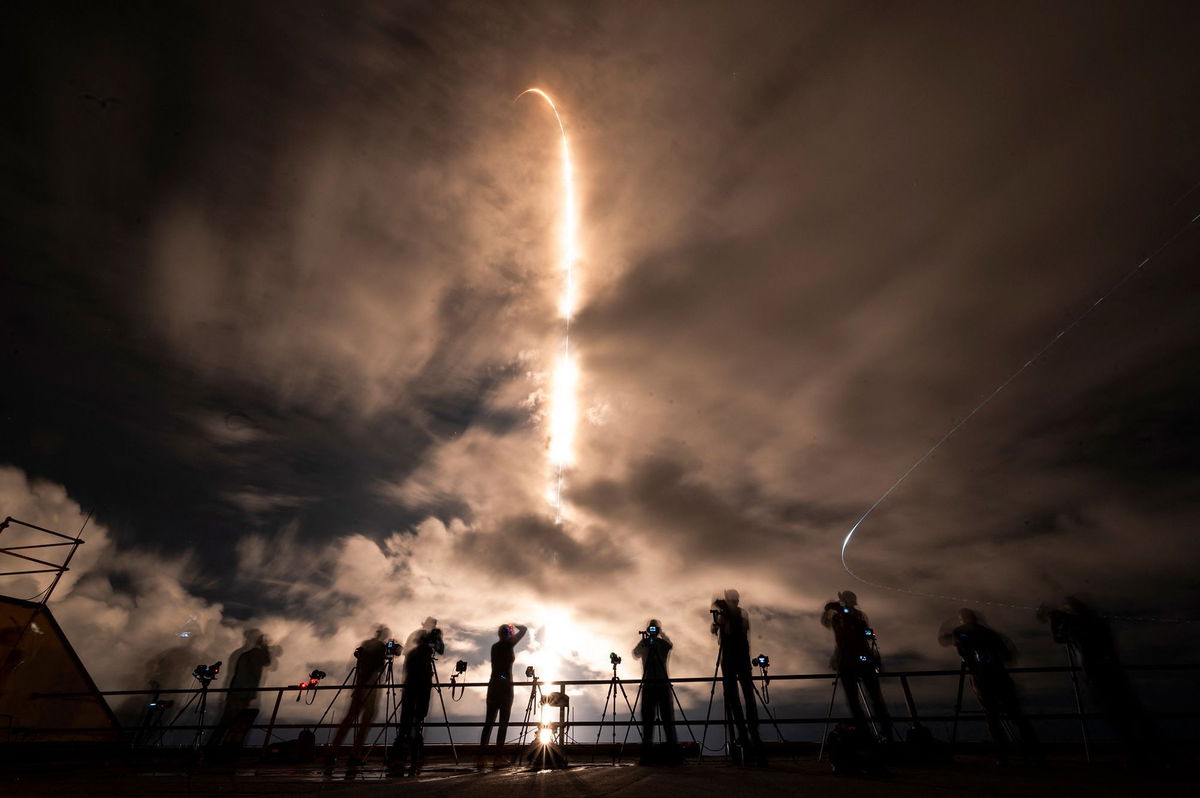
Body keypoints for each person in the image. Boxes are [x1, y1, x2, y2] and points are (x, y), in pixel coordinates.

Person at [1037, 596, 1155, 763]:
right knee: (1129, 712)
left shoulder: (1080, 627)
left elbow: (1060, 637)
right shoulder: (1095, 623)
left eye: (1068, 610)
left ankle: (1140, 753)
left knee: (1117, 715)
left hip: (1097, 675)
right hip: (1111, 672)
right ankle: (1150, 751)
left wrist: (1054, 619)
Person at [939, 609, 1039, 764]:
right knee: (1014, 713)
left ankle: (1003, 753)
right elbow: (1008, 654)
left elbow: (949, 641)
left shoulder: (964, 634)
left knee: (992, 716)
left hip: (982, 678)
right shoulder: (990, 634)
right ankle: (1031, 750)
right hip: (1000, 675)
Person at [821, 590, 892, 743]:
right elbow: (826, 622)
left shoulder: (858, 616)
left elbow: (862, 631)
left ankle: (884, 732)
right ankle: (866, 732)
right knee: (856, 700)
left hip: (859, 660)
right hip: (848, 662)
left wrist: (837, 609)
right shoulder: (838, 617)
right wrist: (829, 609)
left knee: (873, 698)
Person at [324, 626, 389, 774]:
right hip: (371, 686)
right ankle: (354, 755)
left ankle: (332, 753)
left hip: (361, 685)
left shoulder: (365, 645)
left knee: (349, 719)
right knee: (365, 721)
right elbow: (378, 668)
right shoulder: (379, 647)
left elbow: (357, 662)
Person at [711, 589, 764, 764]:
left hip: (736, 660)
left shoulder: (740, 614)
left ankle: (750, 735)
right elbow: (717, 630)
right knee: (738, 698)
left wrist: (722, 618)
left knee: (745, 697)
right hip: (735, 661)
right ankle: (744, 735)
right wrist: (718, 620)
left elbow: (730, 630)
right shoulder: (730, 614)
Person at [390, 618, 445, 776]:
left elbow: (440, 650)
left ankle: (413, 755)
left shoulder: (433, 638)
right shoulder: (415, 635)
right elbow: (407, 651)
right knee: (407, 718)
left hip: (422, 680)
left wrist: (437, 638)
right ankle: (403, 755)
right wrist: (425, 642)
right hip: (414, 680)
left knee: (418, 717)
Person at [208, 629, 275, 756]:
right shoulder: (254, 654)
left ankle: (214, 749)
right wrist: (265, 646)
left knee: (227, 724)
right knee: (235, 725)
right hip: (242, 694)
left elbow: (232, 675)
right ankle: (223, 751)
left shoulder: (241, 654)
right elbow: (267, 662)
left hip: (237, 693)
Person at [478, 623, 527, 767]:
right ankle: (497, 757)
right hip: (505, 688)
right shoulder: (508, 645)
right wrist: (514, 623)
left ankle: (481, 757)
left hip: (493, 686)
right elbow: (524, 629)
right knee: (503, 723)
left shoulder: (495, 647)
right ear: (508, 634)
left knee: (489, 722)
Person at [633, 618, 679, 764]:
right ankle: (647, 754)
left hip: (661, 685)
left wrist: (661, 636)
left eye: (654, 628)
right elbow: (635, 653)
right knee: (648, 722)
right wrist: (644, 641)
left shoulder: (661, 644)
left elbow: (669, 646)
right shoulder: (645, 644)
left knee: (667, 721)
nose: (652, 631)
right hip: (649, 685)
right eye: (651, 628)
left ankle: (672, 754)